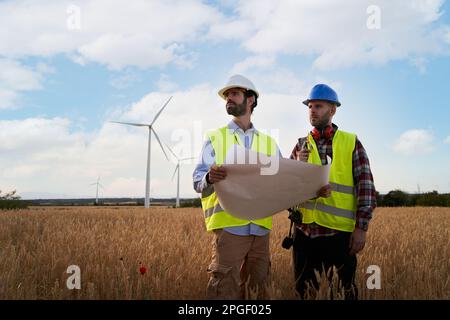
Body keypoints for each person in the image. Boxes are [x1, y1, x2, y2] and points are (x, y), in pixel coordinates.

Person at [193, 74, 282, 299]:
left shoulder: (269, 143)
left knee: (257, 292)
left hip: (260, 231)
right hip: (229, 229)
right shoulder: (214, 137)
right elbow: (197, 181)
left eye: (234, 94)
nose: (228, 99)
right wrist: (210, 177)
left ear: (250, 100)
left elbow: (282, 181)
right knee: (225, 291)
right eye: (226, 95)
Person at [289, 83, 377, 300]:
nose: (312, 110)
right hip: (304, 236)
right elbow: (286, 192)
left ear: (332, 110)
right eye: (310, 106)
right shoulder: (300, 146)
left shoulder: (350, 142)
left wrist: (361, 228)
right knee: (305, 293)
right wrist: (299, 169)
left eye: (318, 106)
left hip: (338, 237)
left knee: (342, 292)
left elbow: (366, 187)